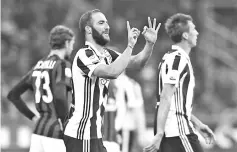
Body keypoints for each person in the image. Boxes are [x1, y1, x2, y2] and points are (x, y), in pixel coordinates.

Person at [63, 9, 160, 152]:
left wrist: (149, 44)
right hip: (80, 134)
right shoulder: (84, 54)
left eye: (107, 23)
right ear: (88, 29)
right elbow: (112, 72)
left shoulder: (106, 54)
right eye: (101, 23)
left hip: (95, 135)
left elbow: (136, 63)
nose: (107, 27)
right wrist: (130, 46)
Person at [144, 13, 215, 152]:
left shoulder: (171, 57)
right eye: (193, 29)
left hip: (173, 131)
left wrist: (197, 124)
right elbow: (166, 96)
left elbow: (176, 104)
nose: (197, 32)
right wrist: (159, 133)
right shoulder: (177, 60)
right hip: (178, 133)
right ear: (185, 36)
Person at [7, 25, 74, 152]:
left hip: (38, 131)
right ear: (66, 43)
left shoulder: (38, 65)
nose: (72, 48)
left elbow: (13, 95)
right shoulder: (63, 65)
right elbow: (59, 96)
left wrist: (33, 117)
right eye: (72, 44)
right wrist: (65, 123)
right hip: (56, 132)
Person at [114, 72, 148, 152]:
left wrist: (141, 133)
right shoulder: (129, 83)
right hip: (119, 127)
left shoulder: (129, 83)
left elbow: (136, 109)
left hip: (123, 127)